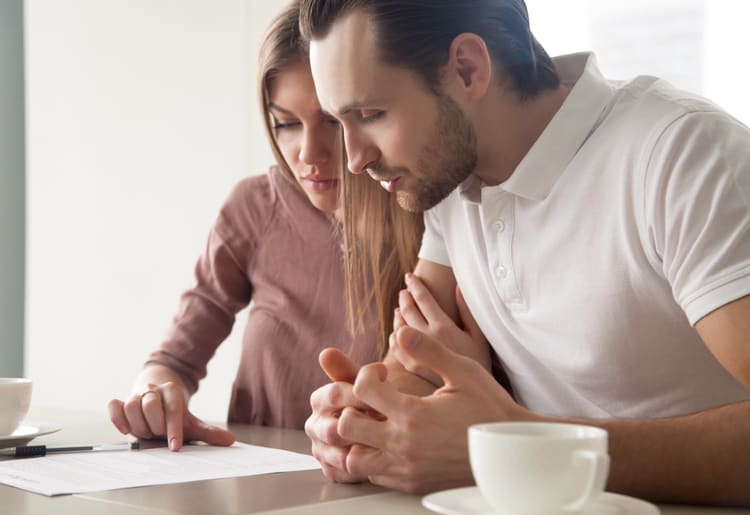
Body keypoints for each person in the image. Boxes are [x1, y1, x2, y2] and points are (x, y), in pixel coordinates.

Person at [298, 0, 750, 506]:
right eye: (342, 123)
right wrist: (366, 423)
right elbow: (414, 373)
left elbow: (484, 430)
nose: (354, 159)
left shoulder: (680, 155)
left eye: (371, 115)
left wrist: (514, 442)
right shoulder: (449, 184)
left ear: (468, 68)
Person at [107, 0, 423, 452]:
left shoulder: (429, 214)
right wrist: (155, 394)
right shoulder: (254, 207)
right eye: (285, 124)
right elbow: (173, 359)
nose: (308, 154)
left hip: (380, 476)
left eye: (331, 122)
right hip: (261, 478)